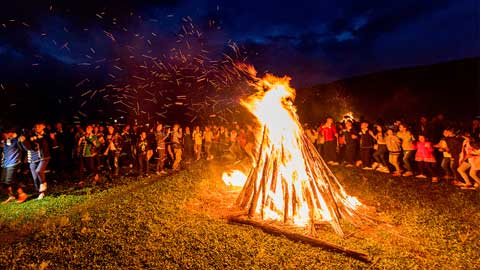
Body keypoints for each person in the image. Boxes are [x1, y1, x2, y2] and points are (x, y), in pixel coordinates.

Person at [20, 123, 51, 199]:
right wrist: (23, 141)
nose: (37, 128)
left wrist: (40, 137)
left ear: (43, 127)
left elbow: (48, 142)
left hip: (43, 157)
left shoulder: (46, 134)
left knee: (39, 171)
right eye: (35, 127)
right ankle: (41, 193)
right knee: (35, 178)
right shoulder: (30, 135)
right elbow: (28, 148)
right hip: (33, 159)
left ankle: (43, 183)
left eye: (39, 126)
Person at [1, 129, 27, 203]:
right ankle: (11, 196)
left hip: (14, 163)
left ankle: (22, 194)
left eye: (7, 133)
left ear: (11, 133)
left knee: (10, 181)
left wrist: (21, 141)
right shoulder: (5, 141)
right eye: (5, 133)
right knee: (3, 182)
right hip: (5, 164)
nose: (5, 135)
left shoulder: (16, 141)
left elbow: (24, 149)